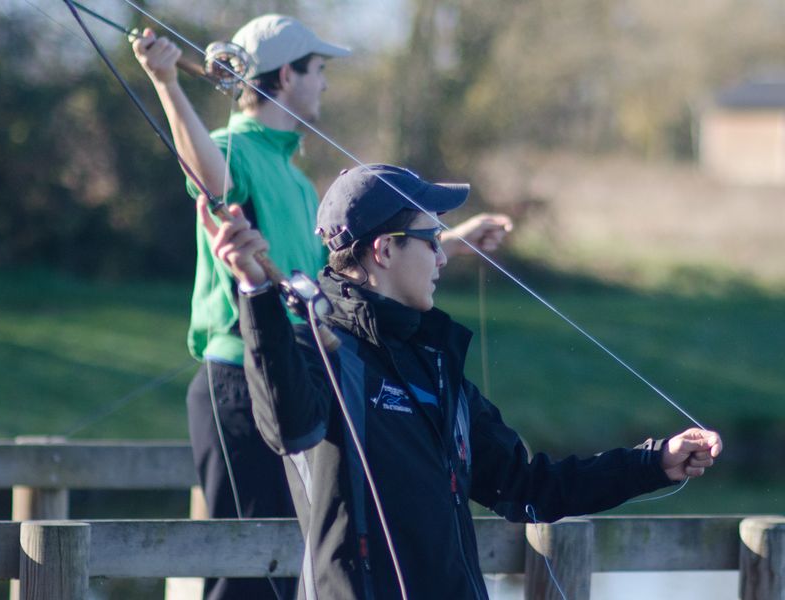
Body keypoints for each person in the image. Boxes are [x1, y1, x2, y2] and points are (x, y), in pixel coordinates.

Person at [199, 163, 723, 600]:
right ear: (383, 251)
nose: (444, 256)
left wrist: (655, 462)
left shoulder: (434, 361)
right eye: (431, 240)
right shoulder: (318, 351)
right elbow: (289, 428)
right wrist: (253, 289)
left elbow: (527, 487)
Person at [133, 15, 513, 600]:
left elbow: (344, 274)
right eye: (319, 70)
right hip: (240, 382)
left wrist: (451, 241)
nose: (326, 83)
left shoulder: (297, 179)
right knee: (247, 578)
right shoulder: (234, 148)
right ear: (287, 75)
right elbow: (210, 181)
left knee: (291, 566)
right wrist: (167, 84)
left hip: (301, 377)